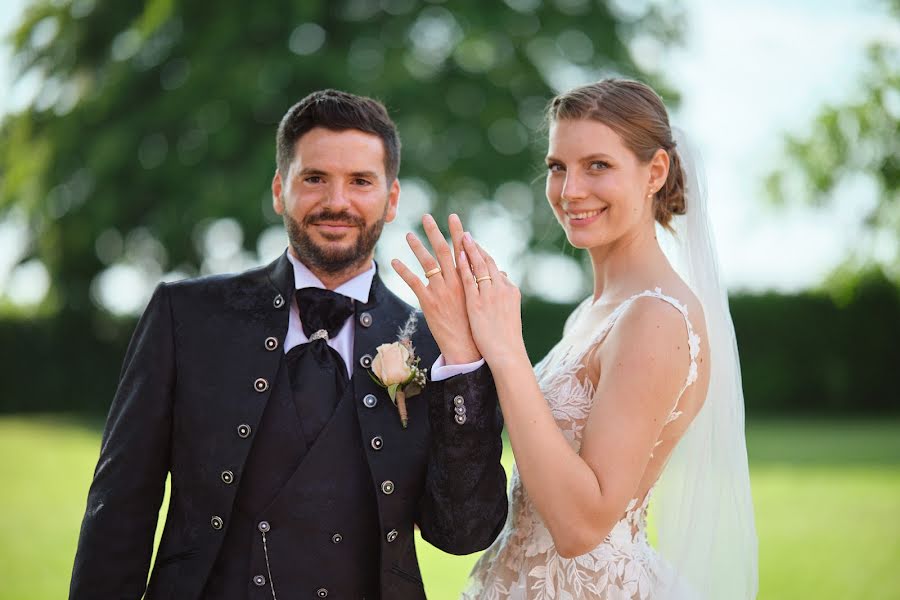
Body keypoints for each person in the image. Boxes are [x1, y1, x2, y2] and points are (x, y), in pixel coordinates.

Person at [69, 89, 508, 600]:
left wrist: (462, 368)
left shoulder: (439, 343)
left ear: (391, 200)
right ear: (281, 190)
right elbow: (120, 505)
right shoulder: (186, 316)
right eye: (315, 178)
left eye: (360, 182)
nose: (337, 202)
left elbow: (462, 535)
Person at [396, 79, 758, 599]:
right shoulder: (591, 313)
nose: (570, 192)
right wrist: (466, 350)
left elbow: (581, 528)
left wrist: (505, 351)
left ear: (654, 172)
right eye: (557, 167)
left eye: (598, 166)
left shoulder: (655, 318)